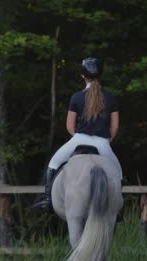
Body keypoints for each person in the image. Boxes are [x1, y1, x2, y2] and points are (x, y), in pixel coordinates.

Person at [33, 57, 122, 211]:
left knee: (53, 164)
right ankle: (118, 208)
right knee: (118, 173)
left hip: (79, 140)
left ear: (83, 75)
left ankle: (48, 200)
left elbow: (69, 126)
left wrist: (80, 137)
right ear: (100, 74)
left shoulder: (76, 97)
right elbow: (114, 128)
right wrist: (106, 141)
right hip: (102, 143)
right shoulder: (111, 98)